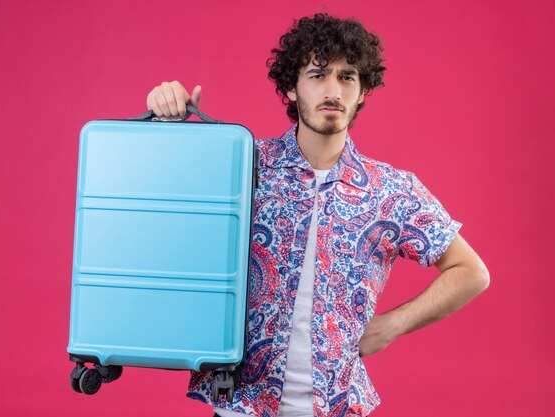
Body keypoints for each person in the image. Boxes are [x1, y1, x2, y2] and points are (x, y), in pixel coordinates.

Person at [145, 13, 489, 417]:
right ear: (291, 88)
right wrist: (166, 123)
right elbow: (163, 217)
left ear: (362, 92)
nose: (333, 90)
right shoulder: (242, 166)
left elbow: (472, 272)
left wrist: (391, 326)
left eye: (347, 77)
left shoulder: (392, 191)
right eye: (318, 74)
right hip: (242, 405)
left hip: (339, 406)